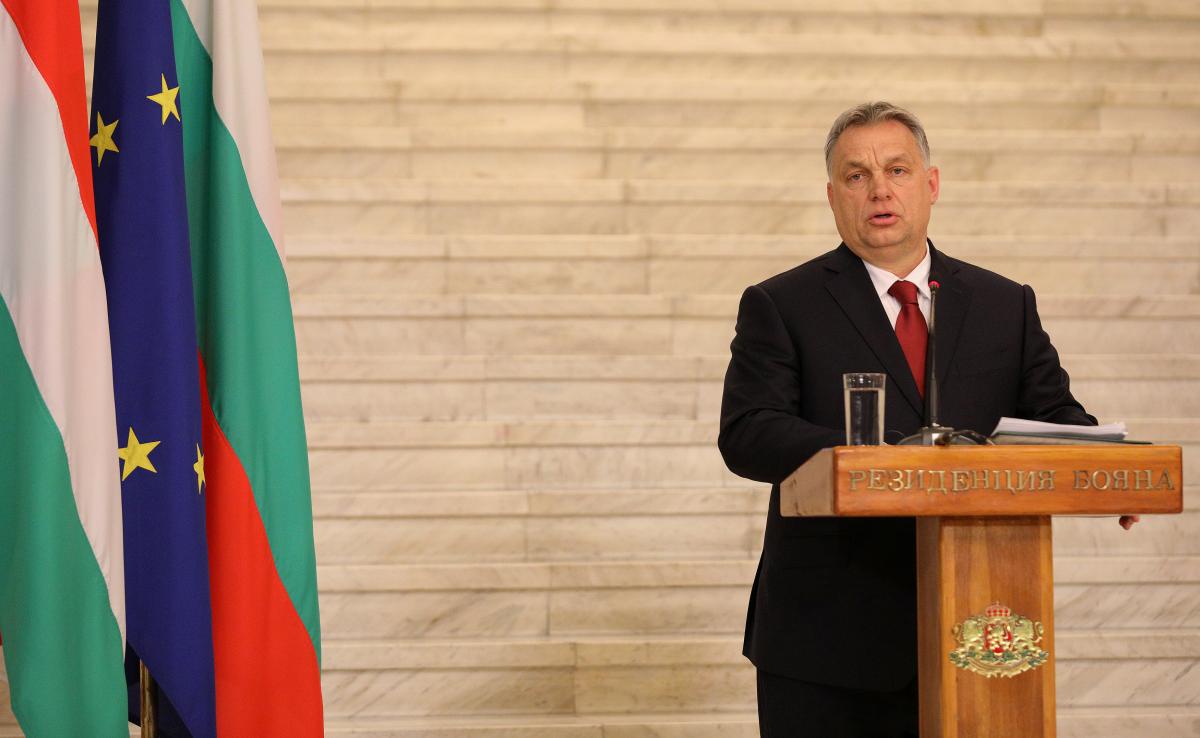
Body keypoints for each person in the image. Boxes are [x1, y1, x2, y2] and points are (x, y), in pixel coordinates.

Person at [717, 101, 1136, 737]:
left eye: (898, 170)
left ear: (931, 184)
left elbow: (1056, 415)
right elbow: (748, 431)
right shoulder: (782, 304)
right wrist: (881, 459)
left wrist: (1111, 472)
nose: (880, 190)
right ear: (833, 197)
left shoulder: (1003, 304)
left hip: (979, 627)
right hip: (825, 638)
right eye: (856, 176)